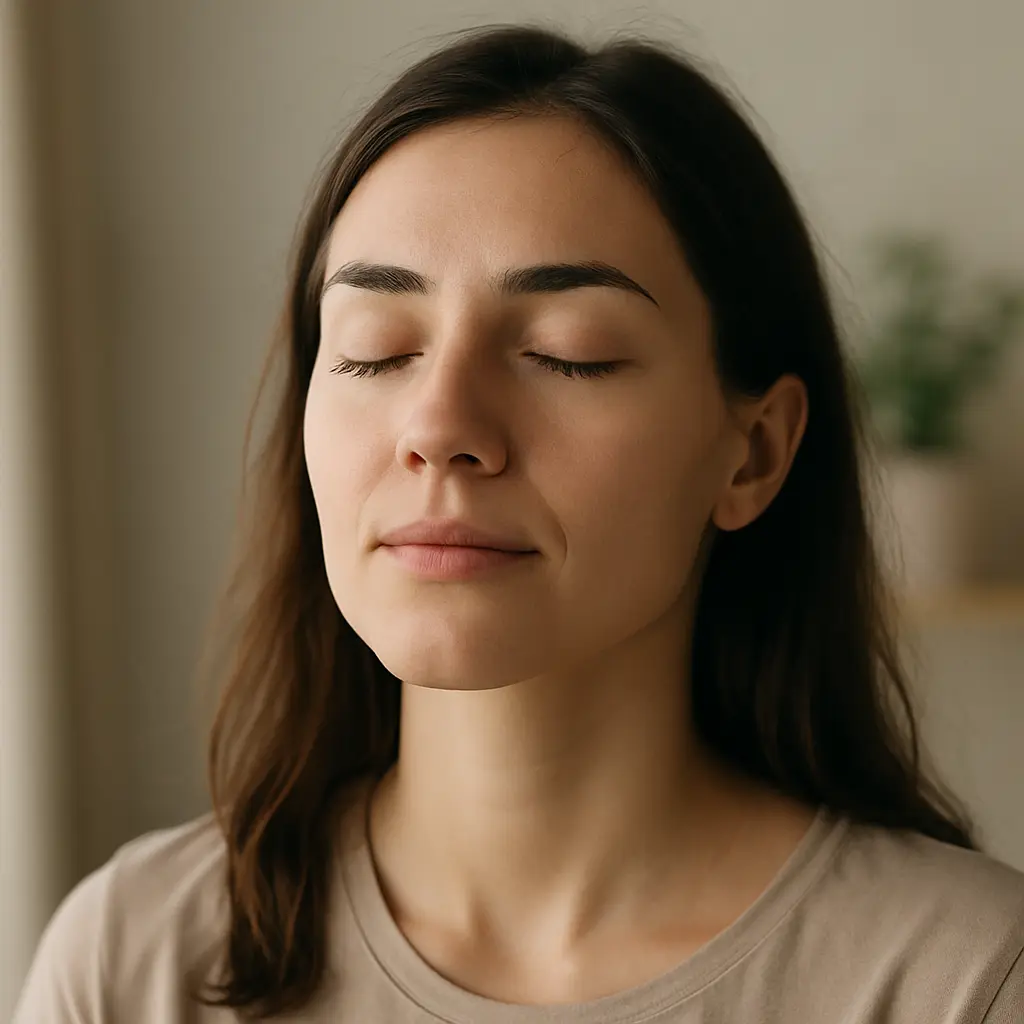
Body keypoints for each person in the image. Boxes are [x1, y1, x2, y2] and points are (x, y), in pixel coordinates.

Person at [13, 23, 1024, 1024]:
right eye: (374, 348)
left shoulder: (961, 982)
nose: (441, 428)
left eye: (567, 352)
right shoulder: (135, 960)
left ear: (752, 451)